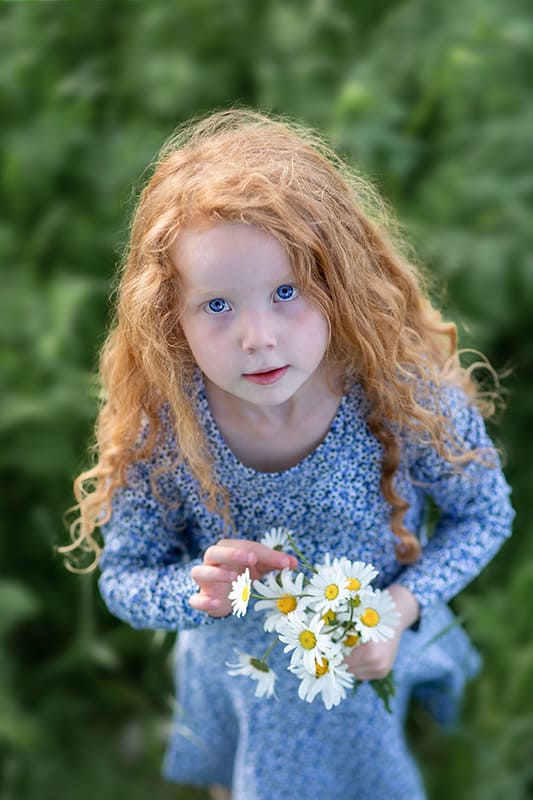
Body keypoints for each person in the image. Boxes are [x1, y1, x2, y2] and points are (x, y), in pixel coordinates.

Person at [65, 109, 514, 800]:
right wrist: (194, 590)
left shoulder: (396, 393)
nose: (257, 337)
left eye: (286, 292)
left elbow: (482, 515)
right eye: (216, 305)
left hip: (361, 659)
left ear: (338, 283)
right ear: (170, 319)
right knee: (248, 776)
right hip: (241, 674)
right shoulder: (166, 431)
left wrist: (398, 607)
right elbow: (124, 578)